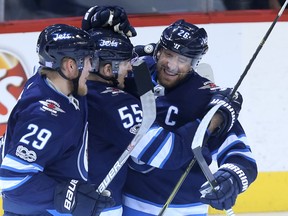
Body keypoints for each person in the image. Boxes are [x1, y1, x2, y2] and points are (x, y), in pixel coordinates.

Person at [121, 19, 258, 215]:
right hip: (128, 203)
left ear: (194, 63)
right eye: (168, 54)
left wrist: (232, 178)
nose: (172, 66)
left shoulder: (205, 98)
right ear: (158, 50)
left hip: (183, 209)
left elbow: (242, 156)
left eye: (183, 60)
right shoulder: (134, 74)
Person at [0, 24, 114, 215]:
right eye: (88, 61)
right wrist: (69, 197)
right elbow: (11, 179)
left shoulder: (48, 80)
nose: (91, 68)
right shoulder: (46, 118)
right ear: (70, 66)